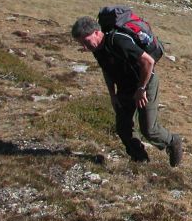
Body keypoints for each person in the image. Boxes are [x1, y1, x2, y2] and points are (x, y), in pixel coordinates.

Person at [72, 15, 183, 166]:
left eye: (86, 42)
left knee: (148, 129)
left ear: (97, 32)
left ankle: (172, 141)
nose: (84, 47)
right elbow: (107, 71)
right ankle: (140, 159)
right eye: (81, 43)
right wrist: (112, 95)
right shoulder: (97, 48)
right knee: (123, 128)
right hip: (125, 87)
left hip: (145, 84)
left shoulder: (118, 41)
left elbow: (148, 62)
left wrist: (141, 88)